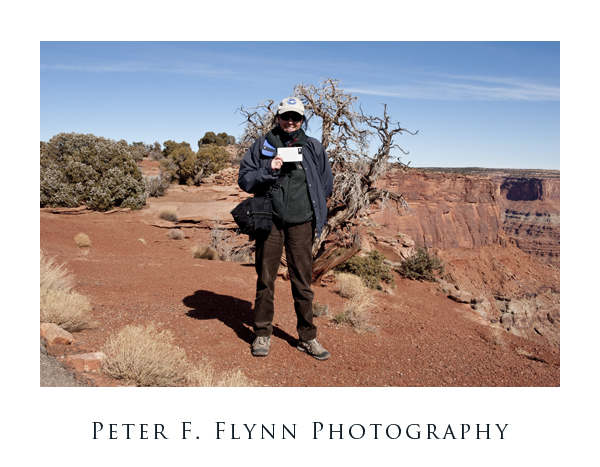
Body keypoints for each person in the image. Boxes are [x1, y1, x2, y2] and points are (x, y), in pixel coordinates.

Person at [238, 97, 333, 360]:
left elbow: (326, 183)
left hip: (302, 222)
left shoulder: (313, 147)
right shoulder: (264, 144)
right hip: (270, 221)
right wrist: (269, 168)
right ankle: (262, 333)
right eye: (286, 116)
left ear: (303, 120)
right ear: (277, 117)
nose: (290, 122)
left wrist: (313, 211)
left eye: (296, 117)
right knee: (265, 279)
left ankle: (308, 337)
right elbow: (245, 179)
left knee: (302, 281)